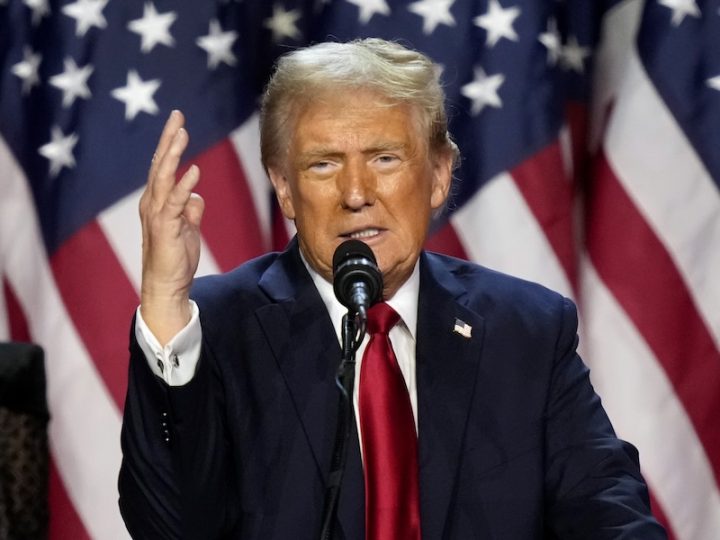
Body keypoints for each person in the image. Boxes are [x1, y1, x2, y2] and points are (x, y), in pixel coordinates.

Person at [118, 38, 666, 540]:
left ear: (439, 175)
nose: (356, 193)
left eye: (384, 158)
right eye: (323, 164)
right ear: (284, 189)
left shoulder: (526, 330)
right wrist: (165, 302)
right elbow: (170, 527)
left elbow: (607, 511)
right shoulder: (216, 329)